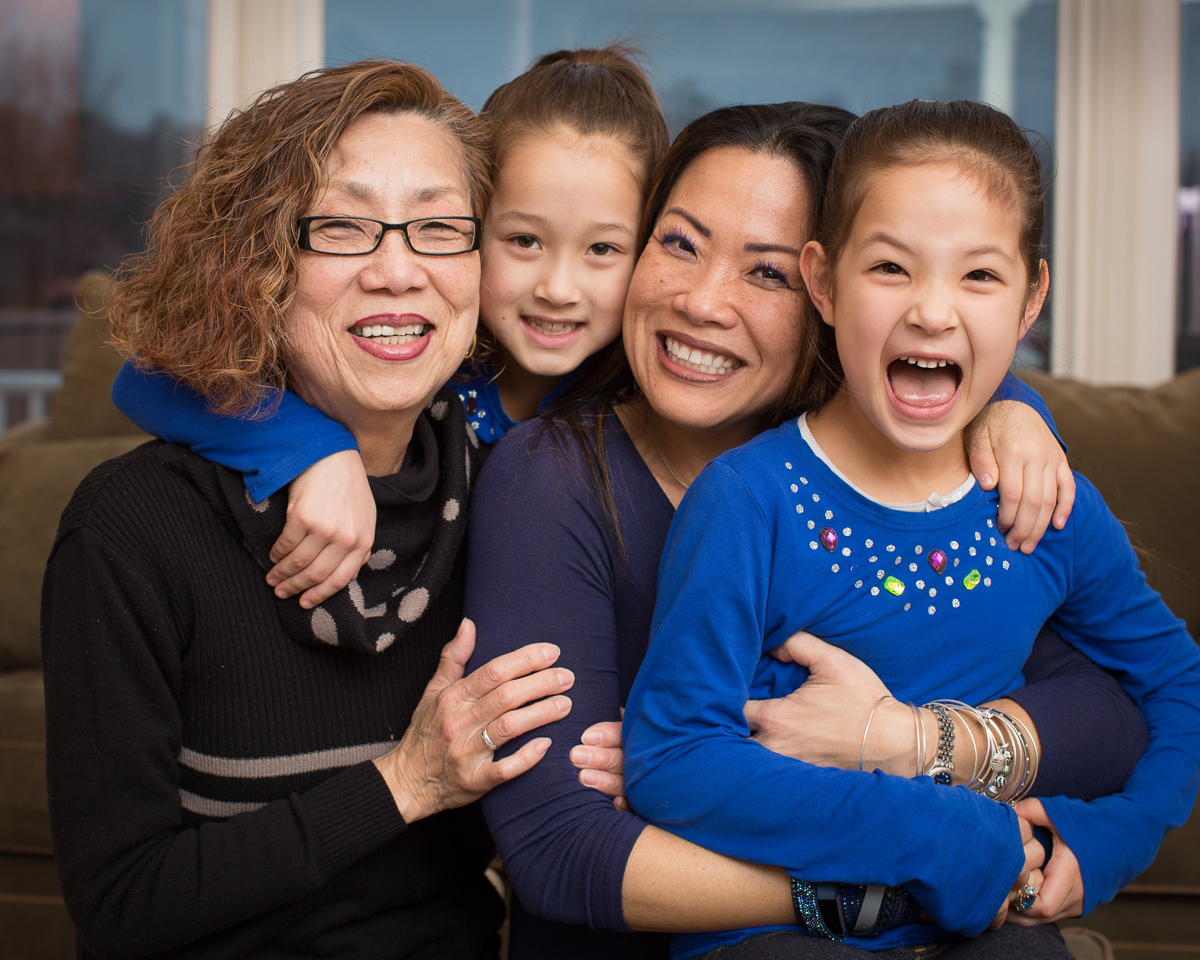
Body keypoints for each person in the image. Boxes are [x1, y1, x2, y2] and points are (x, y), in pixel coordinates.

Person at [464, 102, 1150, 959]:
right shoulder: (551, 476)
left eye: (768, 273)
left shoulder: (894, 485)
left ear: (831, 292)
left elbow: (1109, 717)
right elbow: (561, 851)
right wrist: (907, 878)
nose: (704, 301)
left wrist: (913, 742)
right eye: (679, 243)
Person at [41, 61, 577, 959]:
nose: (399, 270)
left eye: (441, 227)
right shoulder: (130, 529)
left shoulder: (512, 497)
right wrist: (404, 782)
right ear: (254, 262)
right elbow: (122, 906)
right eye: (342, 226)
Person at [108, 45, 669, 608]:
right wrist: (313, 449)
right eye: (524, 240)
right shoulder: (416, 364)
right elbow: (146, 380)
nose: (558, 289)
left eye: (602, 248)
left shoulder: (641, 412)